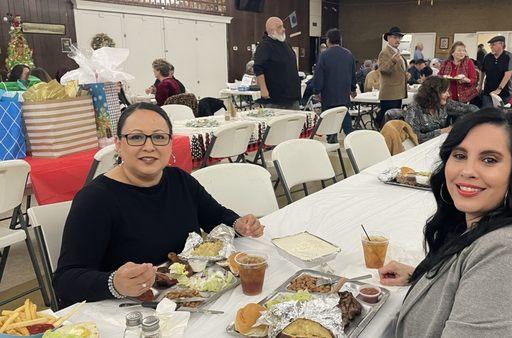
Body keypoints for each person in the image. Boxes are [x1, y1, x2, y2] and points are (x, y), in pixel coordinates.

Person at [53, 103, 264, 307]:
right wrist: (114, 283)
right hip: (130, 312)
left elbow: (215, 215)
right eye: (136, 137)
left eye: (159, 137)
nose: (149, 146)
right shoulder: (95, 199)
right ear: (118, 144)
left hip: (190, 297)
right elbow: (65, 280)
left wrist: (238, 224)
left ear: (170, 143)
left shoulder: (179, 180)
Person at [380, 108, 512, 337]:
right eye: (460, 155)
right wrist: (422, 276)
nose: (468, 171)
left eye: (489, 159)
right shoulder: (480, 223)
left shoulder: (509, 256)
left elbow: (498, 278)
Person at [402, 76, 478, 143]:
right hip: (422, 149)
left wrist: (458, 124)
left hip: (441, 144)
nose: (448, 94)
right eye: (445, 91)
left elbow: (472, 109)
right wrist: (442, 131)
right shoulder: (413, 110)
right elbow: (415, 137)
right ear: (433, 94)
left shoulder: (445, 104)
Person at [312, 28, 356, 139]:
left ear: (328, 40)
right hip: (344, 95)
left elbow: (319, 75)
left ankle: (332, 141)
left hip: (328, 95)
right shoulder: (349, 54)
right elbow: (352, 74)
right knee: (345, 118)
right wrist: (353, 89)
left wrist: (317, 91)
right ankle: (352, 140)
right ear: (340, 39)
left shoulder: (324, 55)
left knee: (330, 120)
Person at [253, 17, 301, 109]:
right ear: (271, 30)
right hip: (276, 99)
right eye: (280, 27)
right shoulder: (264, 46)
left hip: (292, 96)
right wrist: (263, 89)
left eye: (282, 26)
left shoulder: (286, 44)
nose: (284, 29)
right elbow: (258, 68)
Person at [377, 26, 408, 129]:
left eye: (399, 38)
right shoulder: (385, 52)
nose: (398, 40)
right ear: (388, 38)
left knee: (394, 120)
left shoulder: (397, 52)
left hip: (398, 92)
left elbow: (399, 70)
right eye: (395, 37)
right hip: (389, 93)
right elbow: (383, 69)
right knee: (388, 121)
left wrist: (406, 74)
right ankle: (384, 137)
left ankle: (392, 138)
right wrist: (393, 61)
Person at [480, 36, 512, 107]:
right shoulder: (487, 57)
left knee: (503, 115)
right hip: (488, 92)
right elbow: (483, 71)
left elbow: (508, 74)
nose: (491, 47)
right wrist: (480, 85)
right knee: (488, 114)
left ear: (501, 44)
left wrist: (499, 89)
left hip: (505, 93)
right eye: (490, 45)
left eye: (493, 44)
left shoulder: (508, 56)